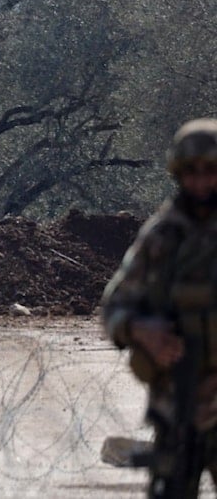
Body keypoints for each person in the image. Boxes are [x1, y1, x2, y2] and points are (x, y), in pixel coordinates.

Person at [102, 118, 217, 498]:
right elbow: (115, 304)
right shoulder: (161, 236)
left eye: (210, 171)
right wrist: (140, 329)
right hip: (177, 405)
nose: (201, 182)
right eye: (191, 172)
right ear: (178, 174)